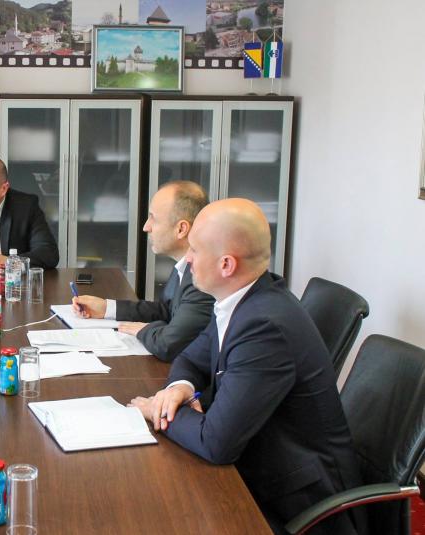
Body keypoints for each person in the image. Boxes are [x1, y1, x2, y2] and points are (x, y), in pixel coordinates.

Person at [130, 199, 362, 533]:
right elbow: (190, 359)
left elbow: (216, 443)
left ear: (226, 264)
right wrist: (179, 388)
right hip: (258, 462)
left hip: (298, 504)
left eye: (194, 249)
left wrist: (157, 410)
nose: (188, 259)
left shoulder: (264, 327)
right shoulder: (241, 299)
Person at [72, 181, 213, 361]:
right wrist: (107, 308)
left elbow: (169, 345)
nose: (146, 227)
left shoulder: (202, 278)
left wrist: (144, 330)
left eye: (153, 218)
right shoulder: (184, 266)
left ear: (181, 229)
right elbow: (166, 311)